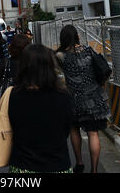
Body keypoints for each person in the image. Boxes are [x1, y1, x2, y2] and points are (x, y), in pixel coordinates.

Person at [8, 44, 74, 173]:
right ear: (49, 66)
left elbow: (11, 126)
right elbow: (66, 128)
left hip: (23, 165)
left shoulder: (14, 95)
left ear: (23, 66)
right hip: (58, 164)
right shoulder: (63, 96)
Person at [55, 24, 110, 174]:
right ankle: (94, 170)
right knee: (93, 133)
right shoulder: (89, 51)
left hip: (73, 100)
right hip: (94, 98)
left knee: (74, 130)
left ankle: (79, 163)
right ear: (77, 36)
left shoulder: (60, 56)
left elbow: (59, 77)